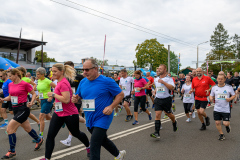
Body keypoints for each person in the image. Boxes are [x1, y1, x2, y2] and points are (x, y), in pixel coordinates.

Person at [72, 59, 126, 160]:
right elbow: (79, 99)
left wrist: (111, 106)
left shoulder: (107, 81)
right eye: (83, 70)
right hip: (89, 118)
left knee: (94, 143)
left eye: (87, 70)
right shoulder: (83, 82)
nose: (84, 72)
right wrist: (76, 99)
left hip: (103, 116)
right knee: (103, 140)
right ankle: (119, 155)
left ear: (95, 69)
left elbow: (120, 94)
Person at [42, 63, 90, 160]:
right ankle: (47, 158)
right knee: (50, 135)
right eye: (52, 71)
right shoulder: (59, 82)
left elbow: (66, 99)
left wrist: (53, 95)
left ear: (62, 72)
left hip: (70, 114)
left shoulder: (63, 83)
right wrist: (56, 102)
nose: (53, 73)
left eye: (55, 71)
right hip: (59, 113)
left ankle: (88, 147)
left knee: (76, 133)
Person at [0, 69, 43, 160]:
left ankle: (12, 151)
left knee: (10, 129)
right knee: (27, 128)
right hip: (15, 108)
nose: (9, 78)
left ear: (16, 75)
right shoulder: (11, 84)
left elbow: (33, 93)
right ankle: (39, 140)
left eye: (10, 76)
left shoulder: (25, 84)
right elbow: (11, 97)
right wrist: (3, 99)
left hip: (23, 109)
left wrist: (31, 102)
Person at [60, 61, 86, 146]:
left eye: (69, 67)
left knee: (71, 117)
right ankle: (86, 122)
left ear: (73, 67)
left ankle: (69, 139)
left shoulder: (79, 77)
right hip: (66, 99)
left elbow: (84, 86)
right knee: (73, 117)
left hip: (76, 99)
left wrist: (79, 96)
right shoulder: (64, 78)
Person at [150, 64, 177, 139]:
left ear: (165, 70)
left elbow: (172, 88)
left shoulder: (169, 79)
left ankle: (174, 122)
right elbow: (158, 87)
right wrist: (155, 92)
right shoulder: (156, 79)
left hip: (166, 99)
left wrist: (164, 82)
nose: (158, 70)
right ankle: (157, 133)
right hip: (158, 99)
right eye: (158, 68)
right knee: (157, 114)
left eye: (160, 69)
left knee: (169, 114)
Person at [209, 74, 235, 140]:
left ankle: (227, 125)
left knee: (225, 123)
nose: (220, 80)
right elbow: (211, 95)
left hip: (225, 108)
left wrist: (230, 99)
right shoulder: (214, 87)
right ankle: (221, 134)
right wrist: (211, 98)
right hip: (217, 108)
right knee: (217, 122)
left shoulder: (228, 87)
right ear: (217, 79)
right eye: (219, 79)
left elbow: (233, 95)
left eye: (221, 79)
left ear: (224, 80)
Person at [35, 67, 56, 140]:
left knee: (41, 117)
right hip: (42, 100)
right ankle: (60, 120)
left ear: (43, 74)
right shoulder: (39, 81)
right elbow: (40, 90)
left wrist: (52, 96)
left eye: (38, 74)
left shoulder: (47, 81)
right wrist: (38, 97)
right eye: (36, 74)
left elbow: (57, 88)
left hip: (48, 100)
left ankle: (40, 135)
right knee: (47, 117)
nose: (37, 76)